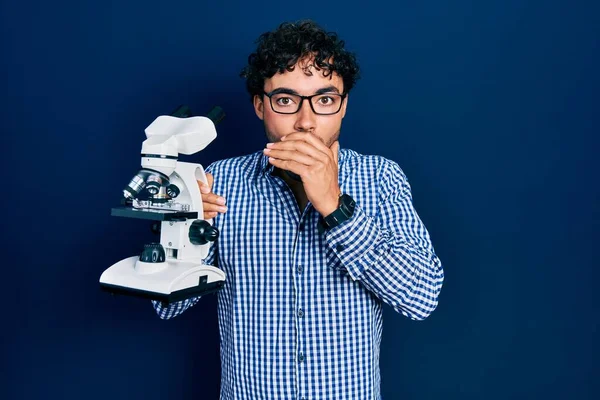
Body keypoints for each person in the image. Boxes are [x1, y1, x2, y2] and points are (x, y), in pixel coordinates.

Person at [152, 19, 444, 400]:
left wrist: (336, 208)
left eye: (324, 100)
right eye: (286, 100)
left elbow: (422, 297)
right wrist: (188, 235)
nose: (306, 122)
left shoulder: (381, 177)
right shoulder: (216, 181)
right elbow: (166, 307)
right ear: (260, 105)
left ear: (343, 107)